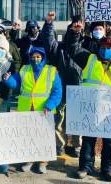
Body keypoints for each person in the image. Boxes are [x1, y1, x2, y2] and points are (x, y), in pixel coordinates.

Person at [67, 21, 111, 182]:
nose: (105, 50)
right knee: (88, 140)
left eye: (109, 48)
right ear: (99, 48)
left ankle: (108, 170)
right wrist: (74, 33)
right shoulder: (89, 59)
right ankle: (85, 167)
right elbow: (73, 49)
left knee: (110, 143)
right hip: (90, 109)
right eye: (103, 48)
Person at [3, 46, 62, 173]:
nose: (35, 59)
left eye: (38, 56)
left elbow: (58, 91)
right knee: (28, 135)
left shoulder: (52, 71)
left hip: (44, 110)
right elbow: (15, 84)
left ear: (43, 57)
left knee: (43, 136)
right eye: (33, 56)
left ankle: (42, 162)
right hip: (26, 109)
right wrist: (8, 79)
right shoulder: (24, 69)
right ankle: (28, 160)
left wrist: (50, 105)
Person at [43, 13, 82, 157]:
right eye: (70, 31)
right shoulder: (59, 48)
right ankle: (60, 144)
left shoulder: (83, 47)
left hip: (79, 86)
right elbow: (48, 41)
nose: (73, 33)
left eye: (76, 31)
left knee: (76, 117)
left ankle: (77, 145)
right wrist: (48, 24)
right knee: (59, 116)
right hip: (62, 85)